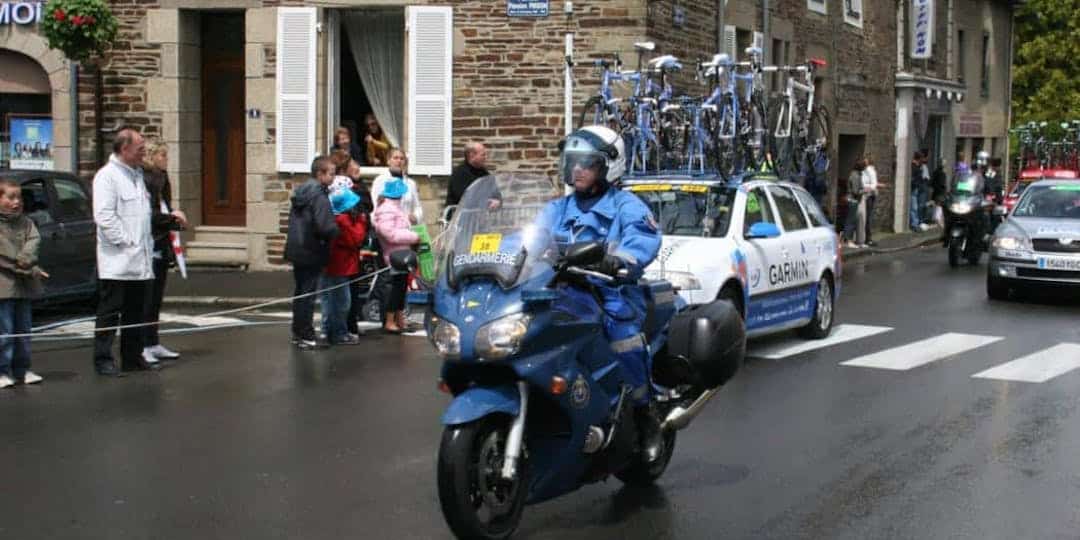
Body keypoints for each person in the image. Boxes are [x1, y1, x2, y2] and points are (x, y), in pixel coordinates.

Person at [536, 125, 663, 461]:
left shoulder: (626, 205)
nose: (576, 170)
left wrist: (618, 260)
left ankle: (644, 414)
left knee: (624, 339)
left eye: (587, 164)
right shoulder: (557, 209)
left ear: (608, 167)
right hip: (562, 291)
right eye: (572, 162)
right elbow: (528, 238)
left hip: (611, 292)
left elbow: (642, 240)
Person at [93, 128, 158, 376]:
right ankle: (103, 359)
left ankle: (133, 356)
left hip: (140, 261)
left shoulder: (137, 175)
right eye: (140, 148)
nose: (144, 152)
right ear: (124, 149)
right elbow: (105, 216)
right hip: (117, 261)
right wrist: (126, 242)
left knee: (136, 312)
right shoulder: (107, 177)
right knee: (109, 313)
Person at [285, 156, 340, 350]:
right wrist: (336, 230)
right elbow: (325, 225)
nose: (334, 177)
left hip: (298, 247)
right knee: (307, 294)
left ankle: (298, 332)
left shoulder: (303, 191)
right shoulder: (318, 194)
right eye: (331, 173)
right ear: (320, 174)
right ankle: (306, 334)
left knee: (301, 292)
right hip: (311, 248)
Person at [141, 142, 188, 365]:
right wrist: (172, 218)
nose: (166, 158)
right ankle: (142, 344)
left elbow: (164, 207)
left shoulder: (162, 178)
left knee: (157, 295)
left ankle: (153, 341)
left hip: (161, 242)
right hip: (149, 243)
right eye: (162, 154)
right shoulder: (145, 179)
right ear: (152, 156)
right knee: (147, 298)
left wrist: (173, 221)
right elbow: (149, 214)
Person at [0, 178, 48, 388]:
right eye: (10, 197)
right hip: (4, 286)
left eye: (18, 197)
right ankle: (3, 370)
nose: (16, 202)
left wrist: (27, 259)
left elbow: (34, 241)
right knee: (6, 331)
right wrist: (28, 267)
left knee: (24, 329)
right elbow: (5, 256)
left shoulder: (26, 222)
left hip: (24, 285)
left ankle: (22, 368)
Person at [321, 189, 367, 345]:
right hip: (340, 265)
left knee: (329, 300)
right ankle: (340, 333)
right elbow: (356, 239)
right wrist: (361, 221)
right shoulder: (343, 221)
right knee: (342, 301)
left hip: (331, 264)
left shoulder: (335, 218)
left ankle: (327, 330)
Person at [372, 179, 419, 334]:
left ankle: (399, 319)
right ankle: (390, 320)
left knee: (400, 287)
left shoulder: (392, 208)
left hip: (400, 253)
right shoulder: (388, 209)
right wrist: (413, 237)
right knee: (394, 289)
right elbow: (389, 234)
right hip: (394, 254)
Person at [372, 148, 424, 224]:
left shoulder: (411, 184)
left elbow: (418, 207)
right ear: (388, 161)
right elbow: (374, 206)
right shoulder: (380, 180)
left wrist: (416, 216)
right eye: (395, 158)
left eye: (402, 159)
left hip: (407, 228)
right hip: (386, 227)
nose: (399, 161)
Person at [445, 142, 490, 217]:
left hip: (479, 220)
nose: (486, 157)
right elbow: (463, 197)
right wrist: (485, 201)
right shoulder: (459, 173)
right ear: (472, 155)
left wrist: (497, 201)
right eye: (483, 155)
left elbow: (495, 192)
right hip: (460, 221)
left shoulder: (484, 173)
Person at [843, 160, 867, 249]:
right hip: (853, 200)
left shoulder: (855, 174)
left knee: (851, 220)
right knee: (850, 221)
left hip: (853, 200)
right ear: (861, 167)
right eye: (864, 167)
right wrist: (865, 190)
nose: (864, 169)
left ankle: (849, 240)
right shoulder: (856, 176)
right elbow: (856, 191)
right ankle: (848, 241)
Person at [860, 154, 880, 246]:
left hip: (868, 196)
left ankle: (866, 238)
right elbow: (872, 184)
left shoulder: (868, 170)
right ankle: (866, 238)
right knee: (866, 217)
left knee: (866, 217)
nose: (864, 161)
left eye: (865, 160)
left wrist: (866, 187)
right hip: (867, 196)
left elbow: (873, 184)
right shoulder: (867, 170)